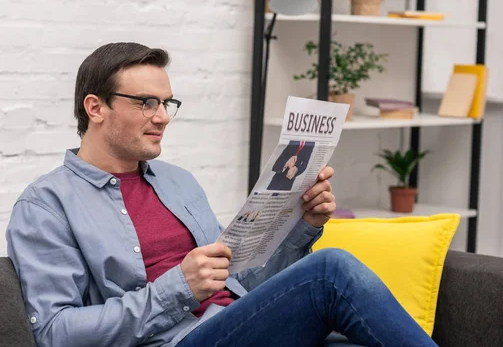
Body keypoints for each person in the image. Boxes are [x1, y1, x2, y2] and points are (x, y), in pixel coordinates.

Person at [5, 43, 437, 347]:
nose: (162, 118)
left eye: (167, 104)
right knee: (332, 271)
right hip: (177, 340)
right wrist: (178, 288)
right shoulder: (47, 206)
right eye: (145, 103)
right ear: (95, 107)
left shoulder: (177, 182)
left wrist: (302, 226)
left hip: (237, 323)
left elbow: (240, 281)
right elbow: (55, 332)